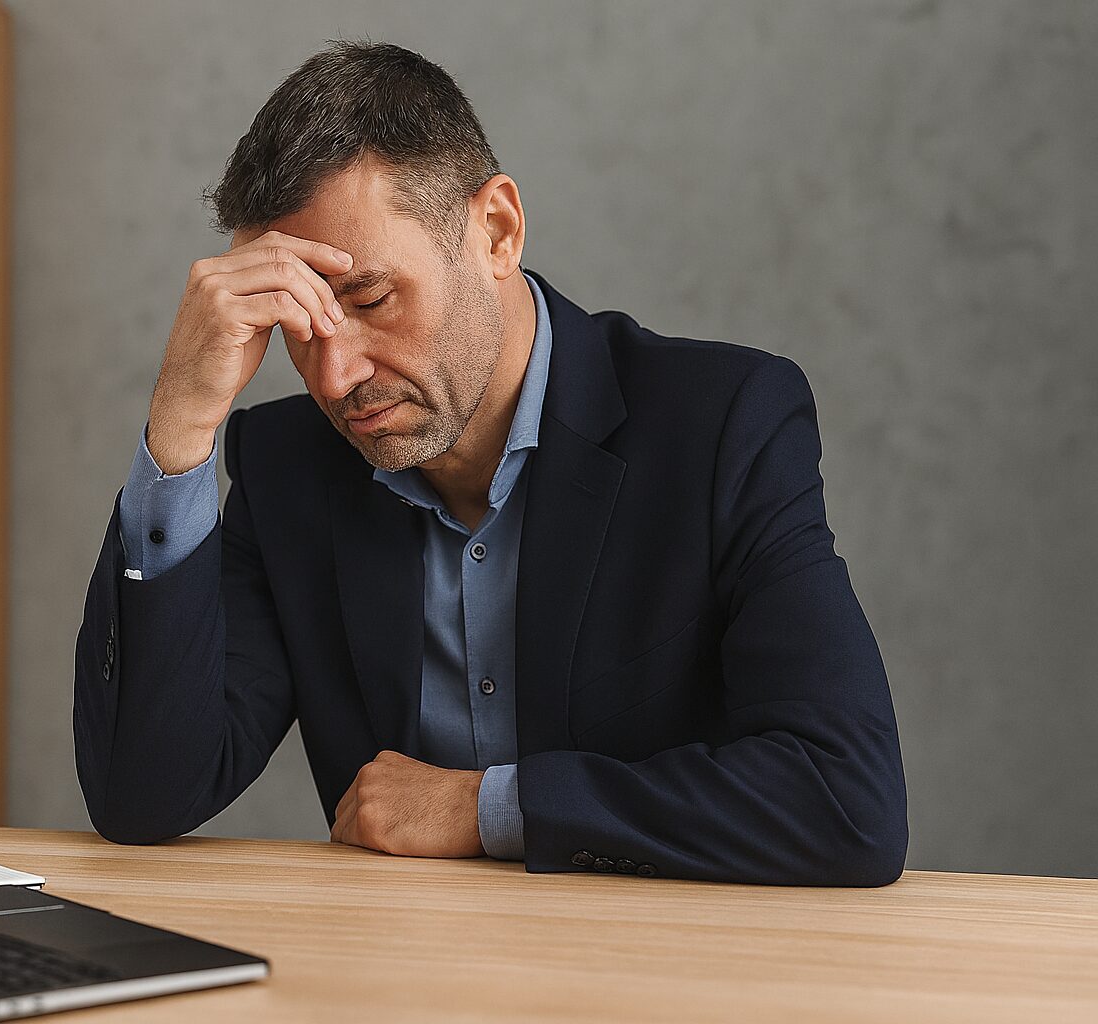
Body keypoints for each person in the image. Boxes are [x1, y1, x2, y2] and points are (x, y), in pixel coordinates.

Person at [73, 41, 908, 884]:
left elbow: (845, 801)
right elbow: (144, 797)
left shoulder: (722, 424)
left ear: (498, 231)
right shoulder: (289, 468)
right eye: (296, 327)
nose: (335, 377)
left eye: (369, 300)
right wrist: (179, 429)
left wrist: (485, 807)